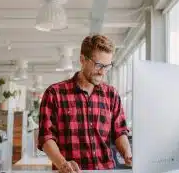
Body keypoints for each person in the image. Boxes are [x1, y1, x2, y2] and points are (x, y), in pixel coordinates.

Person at [38, 34, 132, 173]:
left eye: (107, 67)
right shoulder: (55, 94)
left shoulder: (111, 94)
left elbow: (120, 132)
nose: (102, 72)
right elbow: (46, 137)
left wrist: (128, 154)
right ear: (82, 59)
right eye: (99, 65)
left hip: (105, 170)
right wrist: (63, 164)